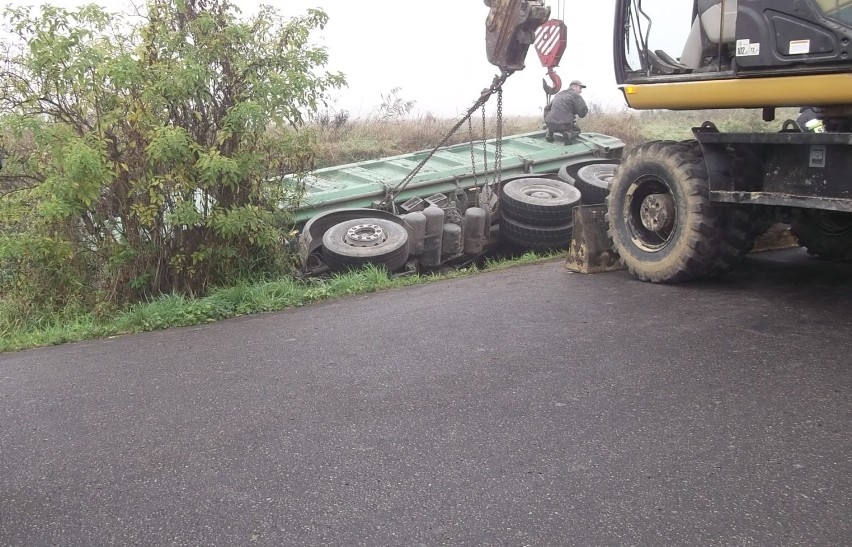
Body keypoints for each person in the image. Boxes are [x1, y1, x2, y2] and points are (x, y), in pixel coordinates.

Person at [544, 79, 589, 144]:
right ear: (575, 87)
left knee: (552, 125)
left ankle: (549, 133)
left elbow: (546, 108)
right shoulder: (575, 95)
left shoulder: (559, 94)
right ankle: (568, 134)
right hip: (564, 126)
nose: (581, 91)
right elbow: (582, 113)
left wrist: (547, 120)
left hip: (550, 124)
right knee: (577, 130)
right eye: (580, 88)